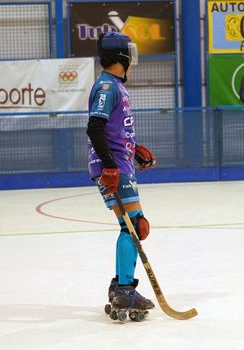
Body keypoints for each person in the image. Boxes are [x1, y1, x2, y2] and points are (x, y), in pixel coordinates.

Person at [86, 32, 157, 316]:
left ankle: (120, 288)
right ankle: (126, 291)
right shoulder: (107, 86)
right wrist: (110, 164)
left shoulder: (114, 84)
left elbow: (113, 128)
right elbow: (95, 126)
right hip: (113, 168)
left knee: (130, 226)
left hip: (118, 162)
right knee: (135, 225)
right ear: (121, 57)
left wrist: (133, 149)